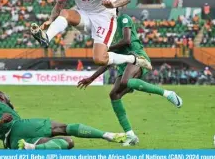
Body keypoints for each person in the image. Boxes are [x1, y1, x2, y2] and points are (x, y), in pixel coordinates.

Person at [77, 12, 183, 146]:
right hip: (122, 65)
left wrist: (106, 48)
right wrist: (91, 78)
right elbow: (107, 59)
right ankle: (131, 135)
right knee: (114, 94)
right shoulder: (106, 30)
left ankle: (168, 94)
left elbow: (127, 40)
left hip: (136, 57)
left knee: (125, 81)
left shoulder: (123, 19)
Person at [31, 0, 151, 70]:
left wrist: (113, 5)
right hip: (84, 14)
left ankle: (133, 59)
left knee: (99, 59)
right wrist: (51, 20)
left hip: (103, 17)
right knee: (65, 12)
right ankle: (46, 37)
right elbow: (59, 3)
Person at [0, 91, 126, 150]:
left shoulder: (5, 109)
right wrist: (0, 122)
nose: (9, 99)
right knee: (62, 128)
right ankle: (107, 135)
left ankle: (33, 148)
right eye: (7, 97)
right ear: (2, 97)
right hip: (17, 127)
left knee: (68, 142)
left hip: (13, 143)